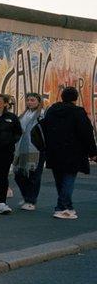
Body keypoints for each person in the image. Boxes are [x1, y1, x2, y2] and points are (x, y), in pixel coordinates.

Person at [37, 86, 97, 220]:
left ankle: (68, 206)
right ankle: (62, 208)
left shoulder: (52, 110)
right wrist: (93, 152)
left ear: (62, 97)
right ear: (75, 99)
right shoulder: (78, 112)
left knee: (60, 179)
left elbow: (44, 128)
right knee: (68, 179)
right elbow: (86, 134)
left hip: (54, 150)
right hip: (72, 151)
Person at [12, 93, 46, 210]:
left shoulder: (42, 115)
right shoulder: (24, 114)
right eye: (28, 100)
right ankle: (27, 196)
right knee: (19, 174)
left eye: (32, 100)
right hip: (21, 148)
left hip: (36, 149)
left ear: (38, 101)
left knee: (34, 175)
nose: (29, 102)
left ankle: (31, 200)